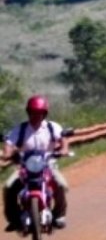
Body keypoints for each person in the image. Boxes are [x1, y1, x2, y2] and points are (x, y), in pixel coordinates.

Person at [2, 95, 70, 232]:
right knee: (8, 187)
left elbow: (63, 138)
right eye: (33, 112)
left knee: (61, 184)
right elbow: (9, 143)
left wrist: (64, 149)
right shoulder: (20, 129)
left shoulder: (52, 127)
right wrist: (7, 153)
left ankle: (58, 215)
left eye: (39, 113)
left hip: (48, 165)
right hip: (25, 168)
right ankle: (13, 219)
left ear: (44, 113)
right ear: (28, 112)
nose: (36, 116)